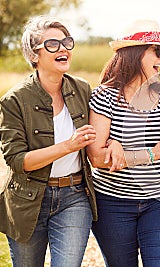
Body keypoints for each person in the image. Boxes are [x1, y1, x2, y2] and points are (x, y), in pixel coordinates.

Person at [87, 19, 160, 267]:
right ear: (134, 54)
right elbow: (97, 158)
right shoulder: (104, 96)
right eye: (156, 51)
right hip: (113, 202)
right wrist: (153, 153)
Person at [0, 16, 97, 267]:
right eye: (53, 44)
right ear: (34, 55)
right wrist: (68, 146)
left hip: (74, 196)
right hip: (28, 200)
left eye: (66, 42)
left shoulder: (83, 89)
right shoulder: (14, 100)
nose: (63, 48)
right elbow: (18, 161)